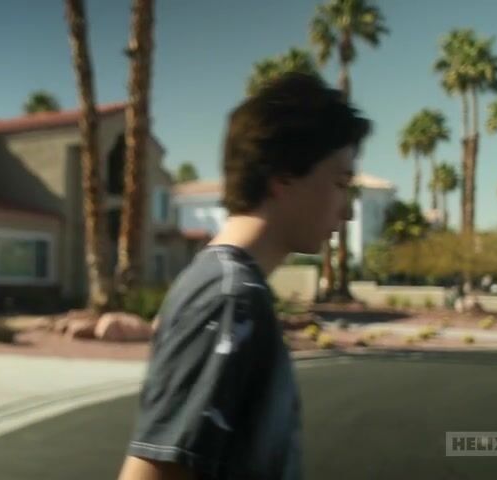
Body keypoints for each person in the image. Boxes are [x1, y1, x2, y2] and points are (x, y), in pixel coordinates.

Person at [117, 72, 371, 480]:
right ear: (283, 176)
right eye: (340, 183)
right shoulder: (230, 299)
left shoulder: (225, 286)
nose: (349, 210)